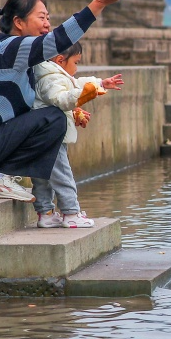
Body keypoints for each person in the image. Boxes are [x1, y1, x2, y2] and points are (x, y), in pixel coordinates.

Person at [0, 0, 125, 201]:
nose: (47, 24)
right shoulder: (13, 47)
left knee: (51, 115)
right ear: (19, 22)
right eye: (42, 17)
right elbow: (58, 39)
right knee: (54, 119)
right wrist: (98, 3)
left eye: (49, 18)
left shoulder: (16, 57)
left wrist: (75, 109)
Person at [30, 41, 123, 228]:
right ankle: (71, 213)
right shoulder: (51, 79)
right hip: (52, 138)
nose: (77, 67)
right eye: (76, 62)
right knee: (63, 176)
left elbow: (75, 84)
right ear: (60, 60)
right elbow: (62, 98)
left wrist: (99, 84)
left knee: (42, 178)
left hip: (39, 136)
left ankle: (46, 214)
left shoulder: (51, 74)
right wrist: (85, 95)